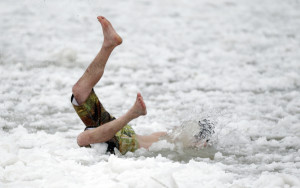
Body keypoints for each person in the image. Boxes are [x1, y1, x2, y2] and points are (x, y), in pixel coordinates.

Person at [71, 16, 166, 155]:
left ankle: (108, 45)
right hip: (118, 137)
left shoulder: (166, 138)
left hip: (114, 134)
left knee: (79, 91)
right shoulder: (167, 138)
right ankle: (132, 114)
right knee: (83, 138)